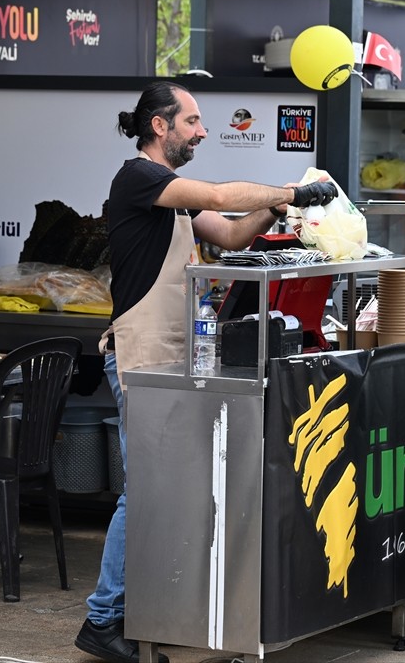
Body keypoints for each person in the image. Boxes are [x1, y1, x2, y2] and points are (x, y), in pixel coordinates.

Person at [75, 82, 336, 663]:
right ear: (160, 127)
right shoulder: (140, 178)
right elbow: (220, 191)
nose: (202, 131)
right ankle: (103, 616)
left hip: (173, 356)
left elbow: (234, 233)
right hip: (140, 354)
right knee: (144, 490)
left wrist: (279, 207)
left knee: (169, 489)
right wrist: (293, 186)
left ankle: (150, 607)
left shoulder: (171, 196)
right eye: (192, 121)